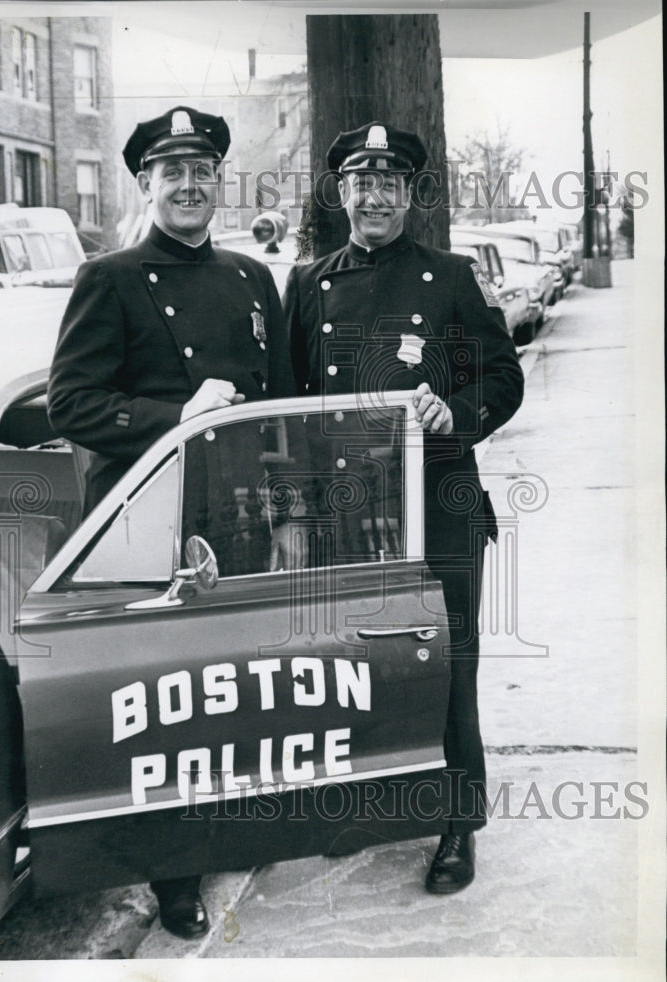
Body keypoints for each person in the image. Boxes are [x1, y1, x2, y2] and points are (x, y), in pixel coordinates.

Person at [47, 105, 296, 938]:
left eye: (202, 171)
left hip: (235, 510)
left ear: (219, 182)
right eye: (171, 172)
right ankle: (174, 873)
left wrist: (292, 509)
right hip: (144, 519)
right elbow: (73, 403)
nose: (189, 185)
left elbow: (287, 408)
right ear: (146, 183)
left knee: (234, 684)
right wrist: (176, 413)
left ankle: (232, 830)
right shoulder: (110, 278)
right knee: (167, 701)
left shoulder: (251, 278)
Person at [284, 120, 524, 894]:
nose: (375, 195)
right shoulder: (308, 282)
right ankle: (369, 805)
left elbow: (503, 376)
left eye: (391, 182)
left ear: (410, 195)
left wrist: (457, 411)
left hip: (439, 503)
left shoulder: (451, 277)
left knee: (449, 662)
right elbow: (286, 410)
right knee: (355, 663)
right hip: (345, 511)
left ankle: (458, 821)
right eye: (362, 181)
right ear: (342, 193)